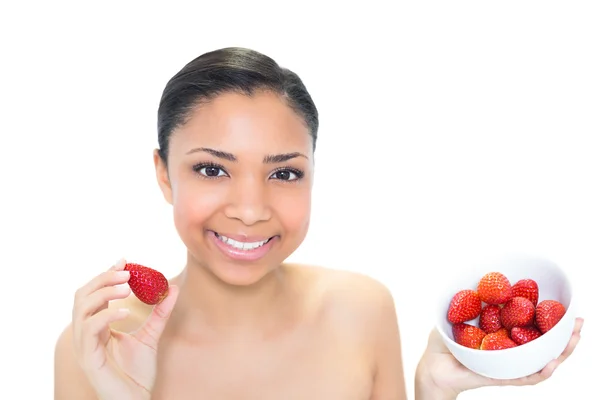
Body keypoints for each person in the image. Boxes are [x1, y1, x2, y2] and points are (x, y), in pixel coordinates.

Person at [53, 47, 584, 400]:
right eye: (212, 168)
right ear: (163, 175)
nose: (251, 208)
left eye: (283, 172)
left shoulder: (362, 308)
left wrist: (431, 389)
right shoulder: (97, 347)